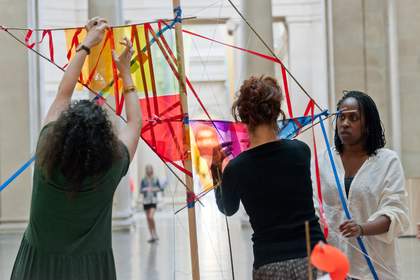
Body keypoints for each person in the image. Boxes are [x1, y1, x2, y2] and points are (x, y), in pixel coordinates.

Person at [11, 17, 142, 280]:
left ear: (62, 132)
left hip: (38, 267)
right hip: (91, 271)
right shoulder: (113, 166)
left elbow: (63, 94)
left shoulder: (47, 144)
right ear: (105, 140)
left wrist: (85, 45)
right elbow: (136, 122)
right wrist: (126, 71)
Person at [211, 76, 325, 280]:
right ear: (276, 111)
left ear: (243, 117)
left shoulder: (236, 168)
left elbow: (228, 208)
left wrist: (216, 170)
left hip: (269, 263)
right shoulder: (301, 151)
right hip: (314, 254)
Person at [315, 91, 409, 279]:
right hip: (334, 268)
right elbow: (314, 207)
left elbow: (395, 211)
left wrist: (362, 228)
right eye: (341, 117)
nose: (345, 123)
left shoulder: (387, 161)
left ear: (367, 124)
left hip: (375, 269)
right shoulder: (325, 158)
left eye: (353, 117)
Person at [140, 165, 162, 243]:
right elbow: (141, 190)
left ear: (151, 171)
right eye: (147, 171)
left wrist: (153, 189)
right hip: (146, 201)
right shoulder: (143, 180)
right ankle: (151, 235)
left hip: (153, 200)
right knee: (148, 219)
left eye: (150, 171)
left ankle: (155, 233)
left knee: (151, 217)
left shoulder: (155, 179)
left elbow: (160, 188)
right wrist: (145, 189)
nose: (149, 172)